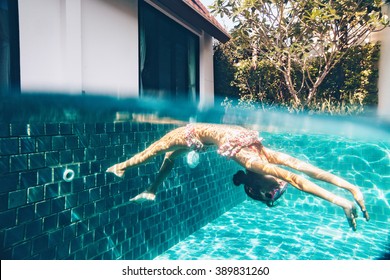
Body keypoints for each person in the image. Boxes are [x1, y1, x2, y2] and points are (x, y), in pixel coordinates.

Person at [106, 123, 369, 231]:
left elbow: (298, 176)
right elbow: (302, 173)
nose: (281, 185)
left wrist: (345, 197)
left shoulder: (252, 162)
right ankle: (127, 171)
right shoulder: (262, 157)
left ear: (257, 186)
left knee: (164, 152)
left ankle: (141, 180)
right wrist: (348, 191)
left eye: (275, 191)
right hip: (194, 132)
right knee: (161, 152)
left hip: (197, 134)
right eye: (280, 189)